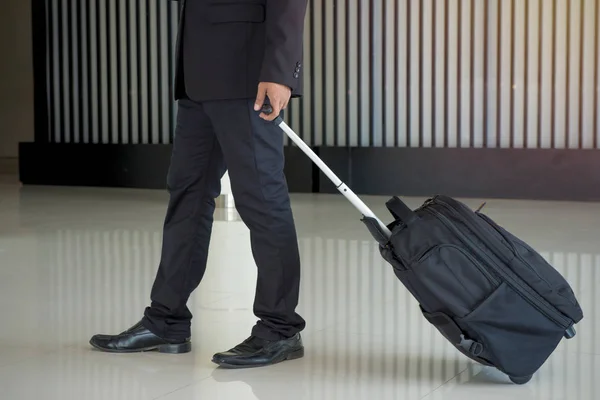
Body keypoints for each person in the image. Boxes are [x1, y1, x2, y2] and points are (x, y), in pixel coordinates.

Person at [89, 0, 309, 369]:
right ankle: (166, 320)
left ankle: (280, 326)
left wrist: (280, 71)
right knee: (187, 195)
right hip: (198, 78)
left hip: (247, 77)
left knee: (261, 198)